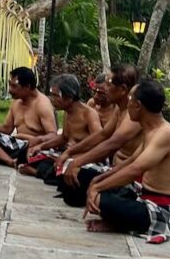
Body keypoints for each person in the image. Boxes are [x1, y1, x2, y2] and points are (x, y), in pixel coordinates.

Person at [85, 81, 170, 243]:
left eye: (130, 99)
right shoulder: (151, 130)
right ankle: (120, 221)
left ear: (138, 105)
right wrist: (98, 180)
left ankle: (120, 223)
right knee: (92, 186)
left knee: (98, 198)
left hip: (162, 211)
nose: (127, 104)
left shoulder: (165, 133)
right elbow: (131, 161)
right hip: (144, 198)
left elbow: (135, 169)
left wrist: (97, 187)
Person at [56, 63, 142, 207]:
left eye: (108, 84)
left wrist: (78, 161)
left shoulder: (135, 114)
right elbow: (102, 135)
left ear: (122, 90)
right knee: (69, 181)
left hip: (132, 178)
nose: (104, 88)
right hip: (114, 170)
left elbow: (112, 143)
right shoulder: (120, 109)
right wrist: (70, 153)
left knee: (78, 179)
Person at [0, 66, 56, 166]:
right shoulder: (16, 102)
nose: (10, 90)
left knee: (37, 157)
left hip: (31, 148)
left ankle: (3, 158)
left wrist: (36, 139)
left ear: (27, 87)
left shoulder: (42, 105)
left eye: (14, 86)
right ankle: (10, 160)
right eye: (9, 85)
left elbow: (52, 135)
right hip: (15, 144)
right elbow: (6, 129)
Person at [21, 74, 101, 179]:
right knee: (31, 154)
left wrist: (76, 153)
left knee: (73, 172)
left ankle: (38, 173)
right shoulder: (67, 112)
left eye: (56, 96)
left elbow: (99, 139)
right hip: (66, 155)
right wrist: (41, 146)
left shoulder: (89, 114)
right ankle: (43, 171)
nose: (52, 99)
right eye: (52, 95)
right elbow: (63, 137)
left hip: (82, 158)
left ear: (69, 97)